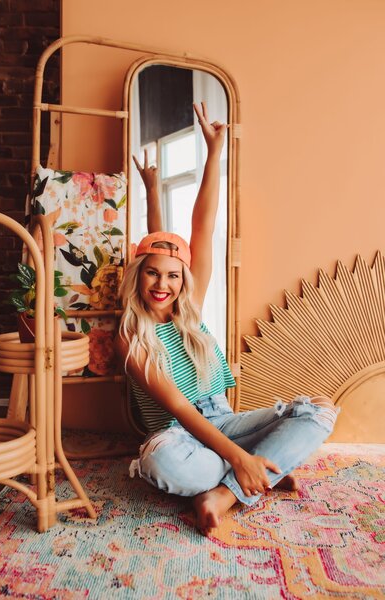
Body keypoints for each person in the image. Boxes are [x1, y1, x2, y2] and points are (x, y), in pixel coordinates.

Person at [115, 102, 338, 535]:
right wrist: (241, 457)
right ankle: (259, 473)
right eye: (152, 274)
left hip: (222, 420)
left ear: (184, 279)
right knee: (164, 461)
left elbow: (201, 226)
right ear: (138, 276)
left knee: (321, 412)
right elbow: (177, 407)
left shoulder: (189, 311)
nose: (163, 283)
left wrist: (213, 152)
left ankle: (226, 493)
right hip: (176, 435)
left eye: (173, 275)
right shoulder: (131, 335)